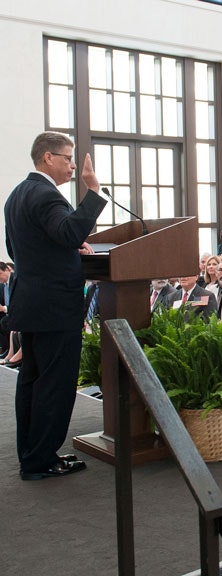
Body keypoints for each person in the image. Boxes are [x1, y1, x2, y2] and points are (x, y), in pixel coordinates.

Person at [4, 131, 107, 480]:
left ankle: (31, 454)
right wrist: (93, 192)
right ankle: (42, 460)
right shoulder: (48, 196)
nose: (74, 165)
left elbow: (20, 250)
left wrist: (64, 251)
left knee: (31, 382)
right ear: (48, 158)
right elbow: (68, 233)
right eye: (68, 157)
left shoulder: (17, 195)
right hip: (54, 307)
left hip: (30, 303)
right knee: (55, 385)